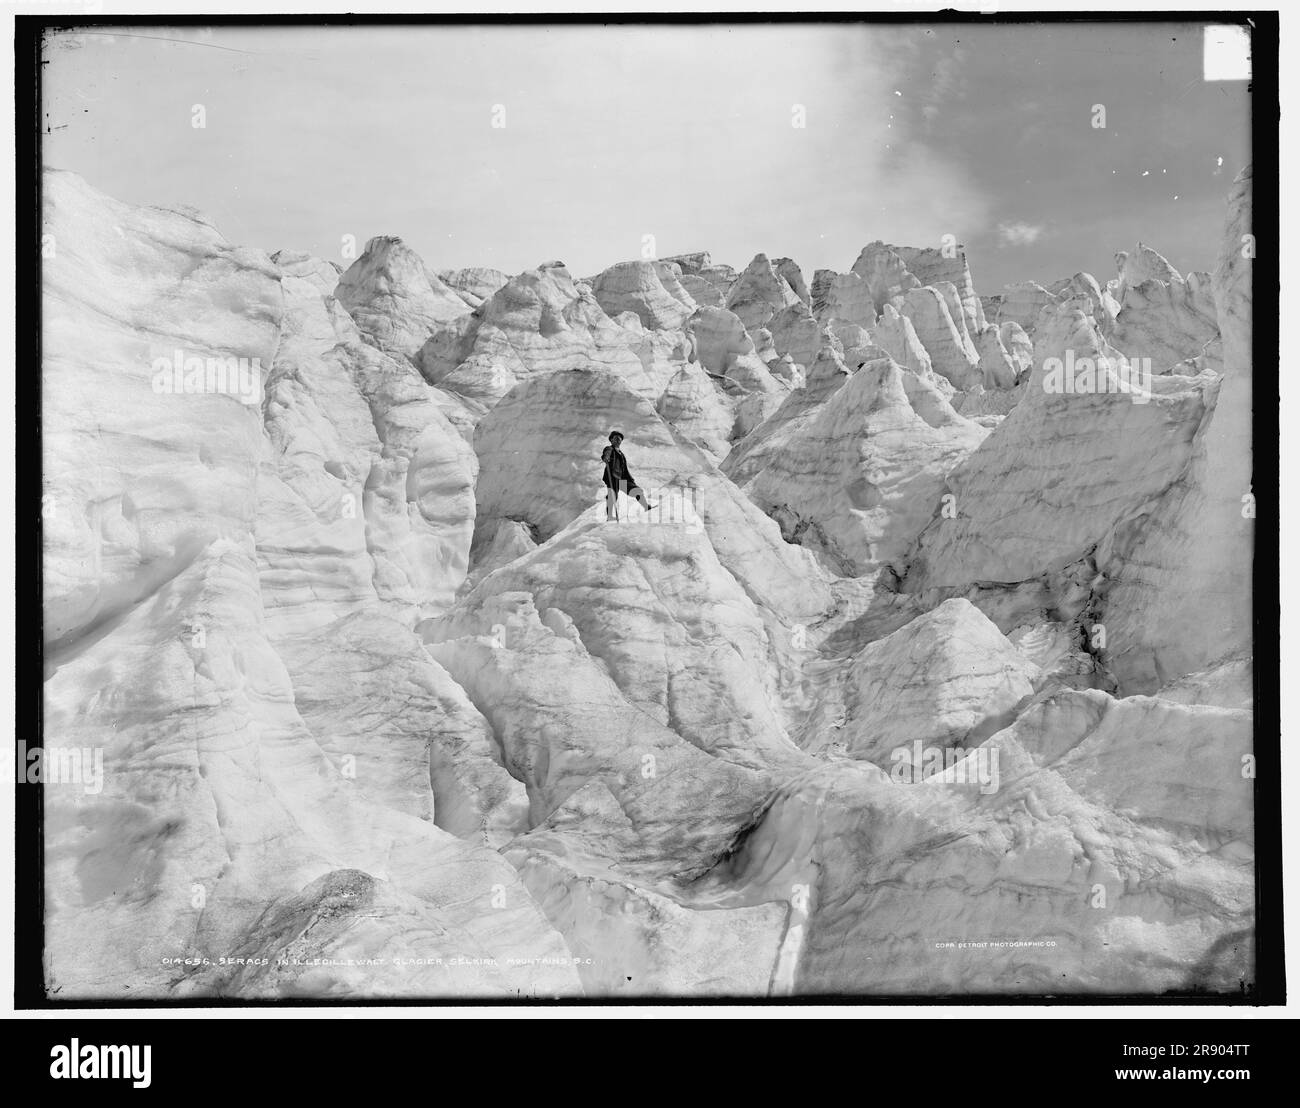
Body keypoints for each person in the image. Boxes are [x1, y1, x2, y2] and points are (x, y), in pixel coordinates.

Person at [600, 431, 656, 520]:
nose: (618, 440)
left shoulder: (621, 454)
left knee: (637, 490)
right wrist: (605, 457)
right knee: (612, 496)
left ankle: (646, 507)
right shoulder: (609, 449)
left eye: (619, 439)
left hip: (622, 479)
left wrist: (630, 479)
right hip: (613, 477)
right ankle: (610, 516)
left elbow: (624, 469)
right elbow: (606, 453)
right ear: (611, 440)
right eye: (616, 439)